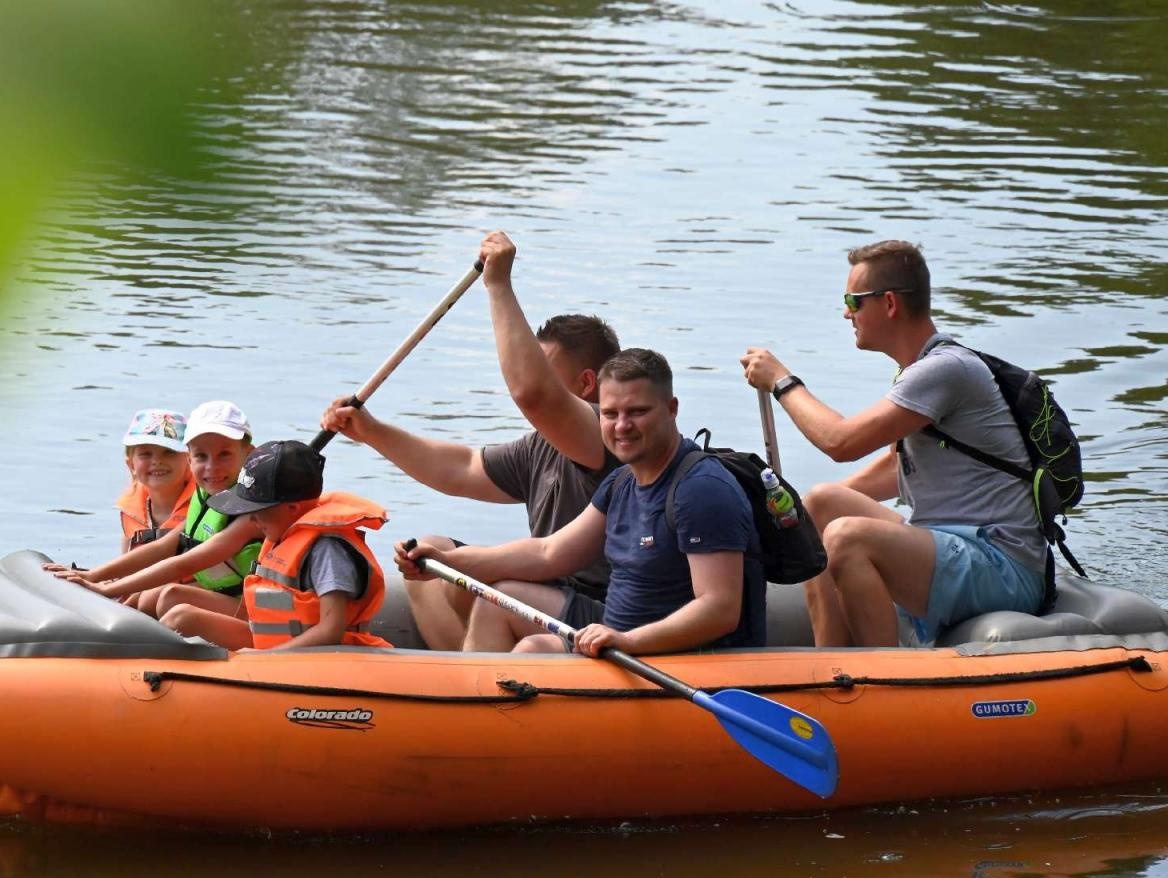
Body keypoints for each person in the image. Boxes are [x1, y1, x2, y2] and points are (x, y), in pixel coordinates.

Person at [320, 230, 621, 649]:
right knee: (431, 550)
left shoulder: (606, 433)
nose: (524, 371)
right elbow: (460, 469)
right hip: (547, 589)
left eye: (540, 365)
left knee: (492, 593)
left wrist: (497, 286)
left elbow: (533, 394)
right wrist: (371, 431)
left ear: (586, 383)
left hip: (597, 611)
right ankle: (463, 676)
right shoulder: (540, 446)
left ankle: (475, 689)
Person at [740, 240, 1045, 647]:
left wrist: (782, 381)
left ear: (888, 303)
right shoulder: (918, 370)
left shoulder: (945, 369)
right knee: (817, 505)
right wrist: (790, 514)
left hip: (1001, 563)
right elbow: (896, 469)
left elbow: (840, 442)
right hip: (955, 544)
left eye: (853, 300)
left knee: (847, 536)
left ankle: (878, 677)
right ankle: (829, 663)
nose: (847, 312)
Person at [399, 349, 766, 656]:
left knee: (532, 652)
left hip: (671, 656)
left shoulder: (701, 490)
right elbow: (548, 553)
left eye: (637, 411)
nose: (622, 425)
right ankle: (472, 719)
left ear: (671, 409)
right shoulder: (622, 480)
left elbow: (719, 610)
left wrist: (629, 641)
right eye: (610, 414)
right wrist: (446, 562)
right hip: (615, 634)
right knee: (500, 600)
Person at [160, 440, 394, 651]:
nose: (251, 520)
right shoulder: (278, 537)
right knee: (181, 617)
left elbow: (331, 630)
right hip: (272, 648)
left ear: (292, 509)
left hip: (321, 659)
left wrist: (266, 660)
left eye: (256, 511)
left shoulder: (327, 550)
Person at [48, 401, 263, 619]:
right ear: (190, 459)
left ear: (249, 455)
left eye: (224, 454)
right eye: (201, 456)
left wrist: (107, 590)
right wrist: (93, 576)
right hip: (222, 592)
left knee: (171, 600)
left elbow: (184, 564)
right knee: (152, 598)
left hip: (251, 605)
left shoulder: (252, 512)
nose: (211, 467)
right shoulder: (208, 497)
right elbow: (162, 548)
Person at [113, 407, 194, 554]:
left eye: (169, 452)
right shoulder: (131, 510)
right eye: (146, 454)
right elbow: (123, 568)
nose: (157, 461)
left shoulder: (204, 505)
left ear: (189, 459)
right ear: (131, 464)